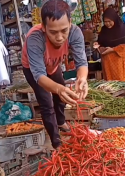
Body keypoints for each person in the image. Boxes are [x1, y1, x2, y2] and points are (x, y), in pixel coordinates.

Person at [21, 0, 89, 149]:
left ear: (70, 23)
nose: (59, 37)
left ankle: (61, 121)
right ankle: (56, 141)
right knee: (46, 102)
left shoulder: (75, 32)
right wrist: (57, 89)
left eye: (64, 30)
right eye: (53, 32)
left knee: (61, 95)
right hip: (34, 70)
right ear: (44, 27)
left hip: (53, 65)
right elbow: (39, 75)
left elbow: (81, 62)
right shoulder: (34, 39)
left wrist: (82, 78)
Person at [93, 8, 125, 82]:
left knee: (121, 82)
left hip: (119, 62)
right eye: (105, 22)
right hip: (107, 63)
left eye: (109, 21)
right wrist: (97, 44)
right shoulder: (103, 30)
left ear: (114, 19)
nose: (107, 24)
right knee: (110, 84)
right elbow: (101, 42)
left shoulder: (122, 29)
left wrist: (112, 49)